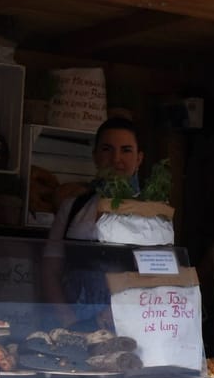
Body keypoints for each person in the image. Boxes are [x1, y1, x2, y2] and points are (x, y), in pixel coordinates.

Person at [42, 117, 145, 304]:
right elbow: (50, 271)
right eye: (107, 149)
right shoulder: (72, 207)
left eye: (126, 150)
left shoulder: (152, 215)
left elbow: (159, 280)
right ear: (95, 156)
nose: (116, 159)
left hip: (130, 324)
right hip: (74, 321)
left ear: (139, 159)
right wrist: (67, 320)